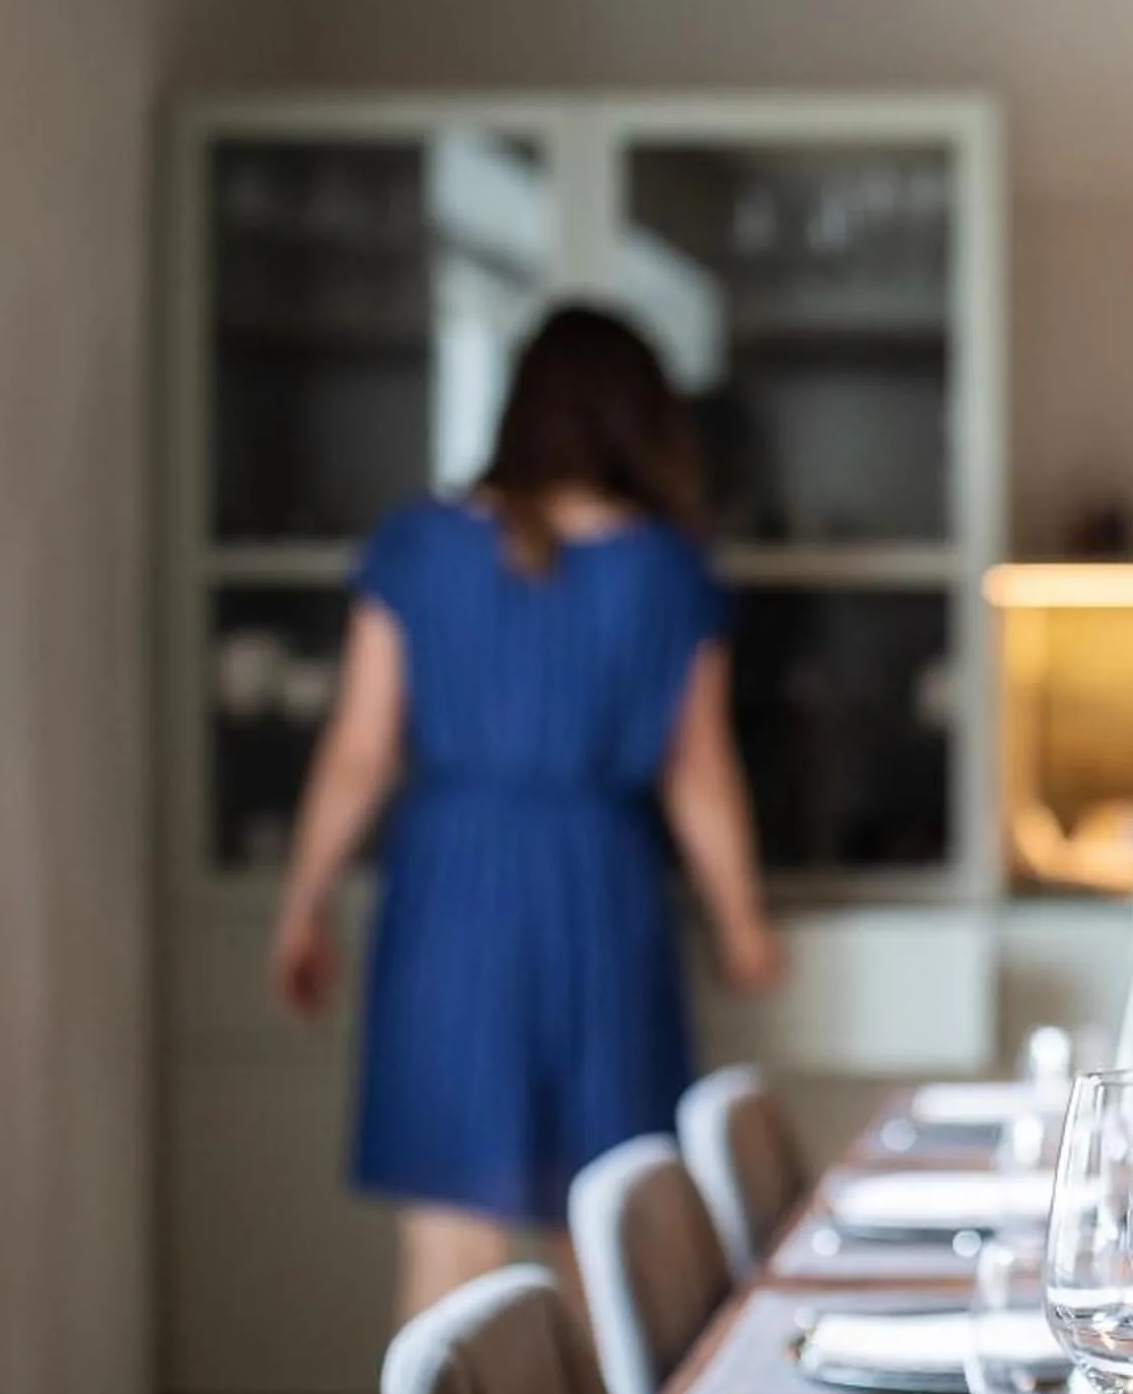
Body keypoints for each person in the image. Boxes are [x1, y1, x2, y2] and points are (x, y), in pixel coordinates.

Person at [270, 304, 784, 1323]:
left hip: (450, 894)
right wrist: (742, 928)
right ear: (645, 421)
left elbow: (360, 751)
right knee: (608, 1229)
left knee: (450, 1240)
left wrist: (301, 905)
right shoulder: (670, 570)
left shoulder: (418, 545)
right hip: (602, 889)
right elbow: (699, 775)